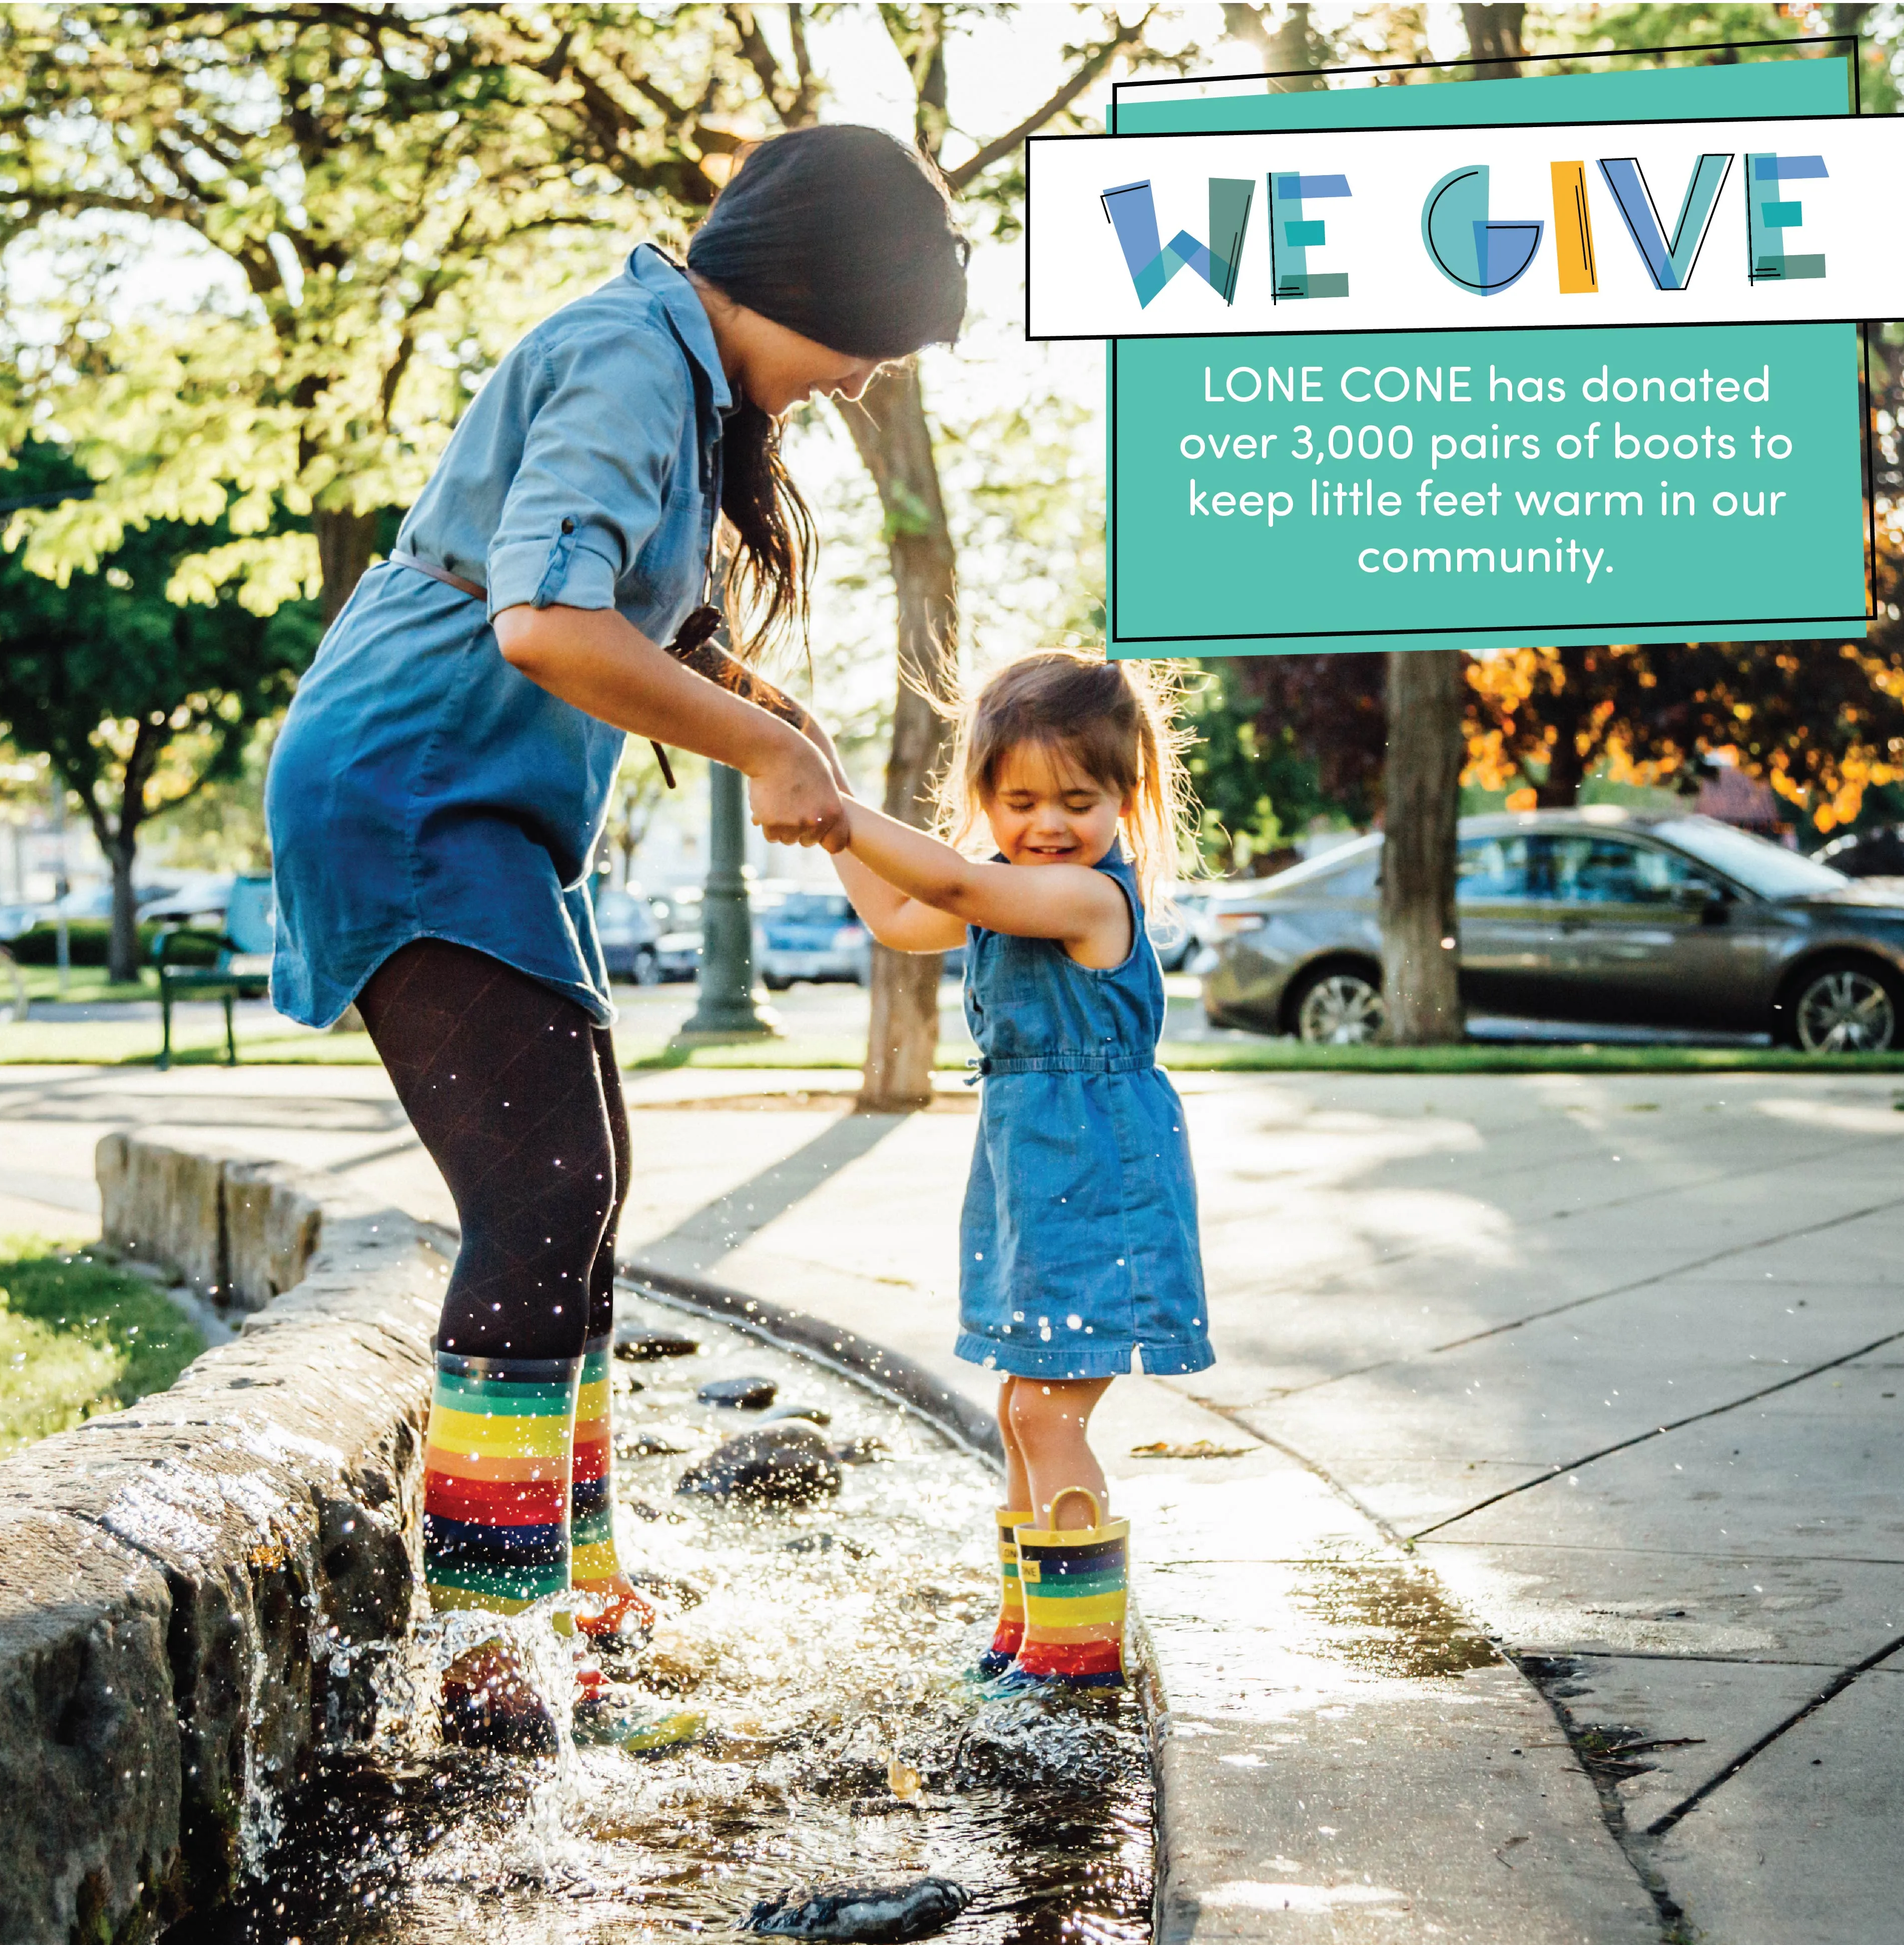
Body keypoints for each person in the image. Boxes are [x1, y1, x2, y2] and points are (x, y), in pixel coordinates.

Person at [265, 126, 968, 1746]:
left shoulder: (683, 379)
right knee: (541, 1194)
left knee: (581, 1200)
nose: (865, 379)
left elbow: (653, 627)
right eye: (872, 339)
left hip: (482, 803)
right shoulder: (625, 356)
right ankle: (494, 1665)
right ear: (813, 282)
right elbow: (545, 625)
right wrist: (767, 754)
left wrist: (804, 751)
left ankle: (575, 1605)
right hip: (408, 783)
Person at [814, 651, 1212, 1689]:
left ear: (1128, 797)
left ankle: (1075, 1656)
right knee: (1018, 1407)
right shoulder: (1009, 895)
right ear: (981, 794)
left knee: (1048, 1408)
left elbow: (946, 880)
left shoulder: (1084, 898)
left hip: (1101, 1182)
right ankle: (1030, 1626)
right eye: (1019, 798)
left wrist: (838, 804)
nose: (1048, 823)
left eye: (1079, 800)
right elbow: (902, 917)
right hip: (1035, 1179)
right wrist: (823, 807)